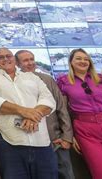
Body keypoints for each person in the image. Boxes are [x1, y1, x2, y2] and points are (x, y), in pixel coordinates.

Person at [0, 48, 57, 179]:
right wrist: (24, 111)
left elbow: (49, 100)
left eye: (8, 56)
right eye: (1, 57)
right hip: (10, 144)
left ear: (14, 60)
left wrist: (34, 116)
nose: (5, 59)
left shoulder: (33, 77)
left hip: (41, 142)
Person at [57, 48, 102, 179]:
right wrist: (70, 135)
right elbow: (64, 111)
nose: (83, 61)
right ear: (71, 62)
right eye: (78, 58)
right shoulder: (63, 81)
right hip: (85, 130)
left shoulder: (100, 79)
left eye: (86, 59)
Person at [15, 50, 75, 179]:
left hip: (56, 140)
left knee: (66, 174)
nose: (30, 63)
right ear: (17, 64)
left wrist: (67, 137)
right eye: (25, 60)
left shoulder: (47, 79)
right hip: (31, 142)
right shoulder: (13, 83)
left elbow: (61, 108)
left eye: (32, 59)